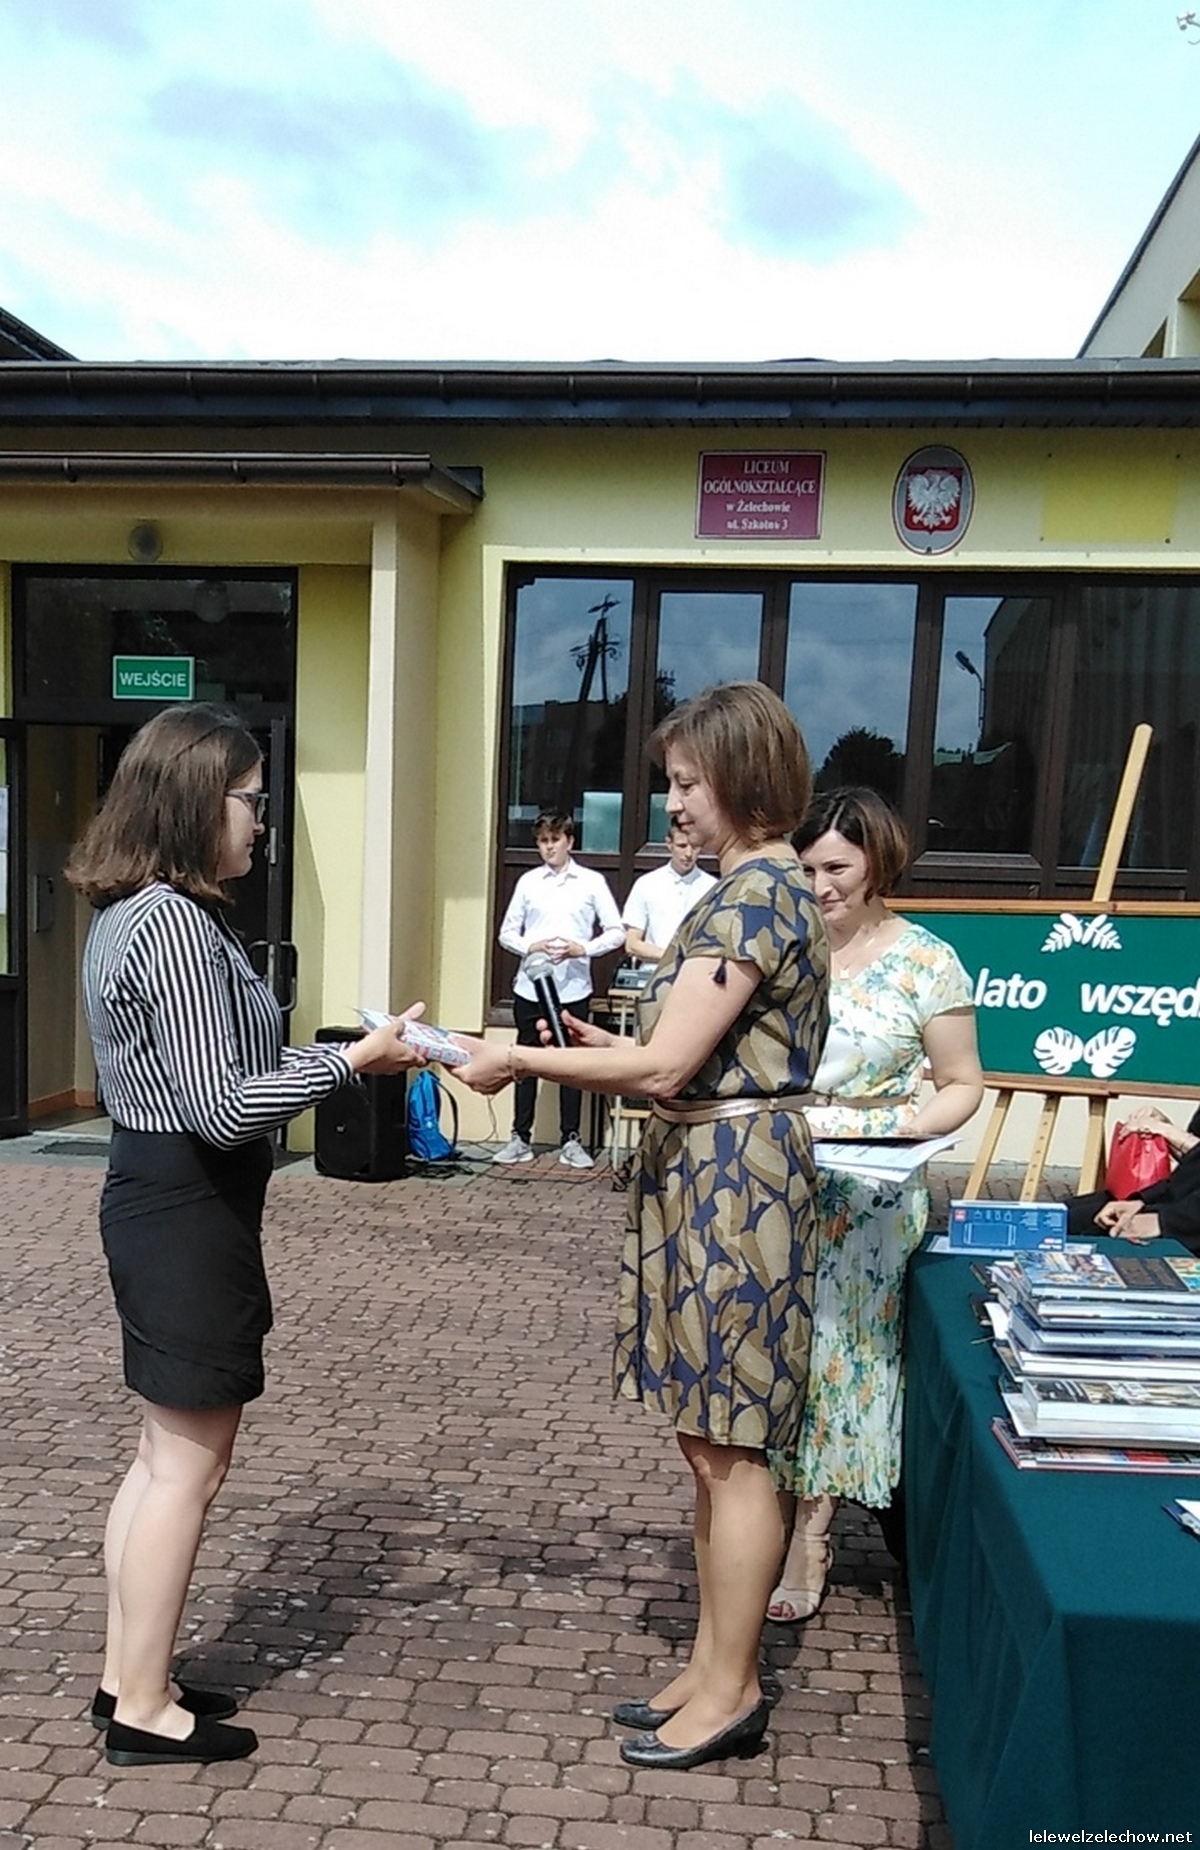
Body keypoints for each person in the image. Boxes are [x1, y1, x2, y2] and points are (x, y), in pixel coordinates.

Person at [459, 682, 828, 1772]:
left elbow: (666, 1065)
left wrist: (520, 1053)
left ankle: (733, 1684)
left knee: (734, 1447)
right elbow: (684, 1054)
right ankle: (713, 1664)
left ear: (744, 779)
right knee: (707, 1441)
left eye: (688, 782)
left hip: (735, 1184)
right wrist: (597, 1046)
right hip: (708, 1172)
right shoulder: (746, 891)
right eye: (672, 782)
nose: (673, 803)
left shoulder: (755, 897)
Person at [65, 704, 425, 1769]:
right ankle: (143, 1706)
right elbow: (225, 1106)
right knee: (188, 1465)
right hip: (187, 1204)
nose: (262, 821)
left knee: (159, 1457)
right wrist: (353, 1060)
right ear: (194, 801)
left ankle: (129, 1674)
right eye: (251, 800)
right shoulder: (174, 925)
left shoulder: (132, 913)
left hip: (160, 1193)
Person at [767, 787, 983, 1623]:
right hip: (778, 1179)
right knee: (776, 1355)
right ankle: (764, 1510)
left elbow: (962, 1082)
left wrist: (911, 1129)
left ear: (877, 863)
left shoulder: (927, 961)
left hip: (871, 1192)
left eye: (837, 868)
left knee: (839, 1359)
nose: (821, 886)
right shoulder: (783, 950)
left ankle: (810, 1533)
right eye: (806, 869)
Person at [493, 809, 624, 1168]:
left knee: (571, 1063)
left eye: (555, 840)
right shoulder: (528, 882)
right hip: (531, 986)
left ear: (570, 841)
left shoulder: (591, 882)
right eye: (542, 841)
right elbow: (507, 933)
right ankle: (520, 1137)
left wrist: (584, 949)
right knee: (524, 1061)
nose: (549, 847)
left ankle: (571, 1138)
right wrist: (530, 946)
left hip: (573, 988)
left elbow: (616, 931)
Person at [1066, 1104, 1200, 1246]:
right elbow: (1193, 1166)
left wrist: (1163, 1221)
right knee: (1064, 1215)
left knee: (1079, 1230)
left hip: (1185, 1223)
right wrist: (1141, 1200)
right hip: (1175, 1200)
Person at [622, 817, 716, 965]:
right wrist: (670, 956)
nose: (688, 853)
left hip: (696, 971)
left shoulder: (712, 887)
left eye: (694, 847)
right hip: (655, 971)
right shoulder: (647, 884)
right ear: (669, 844)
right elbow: (632, 944)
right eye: (682, 846)